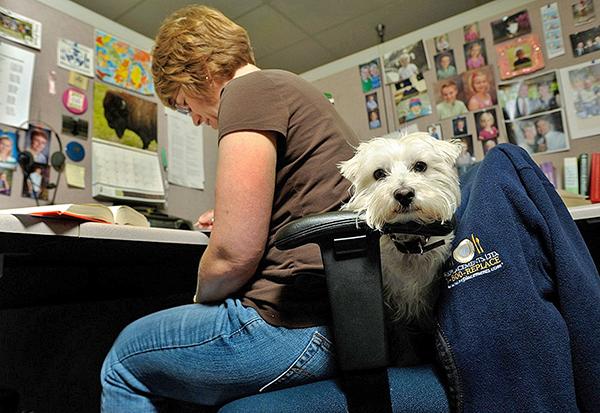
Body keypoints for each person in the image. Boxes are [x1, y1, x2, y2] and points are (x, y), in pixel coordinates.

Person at [100, 5, 358, 411]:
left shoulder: (247, 91)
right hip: (345, 322)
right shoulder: (289, 88)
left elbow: (232, 256)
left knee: (122, 362)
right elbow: (304, 202)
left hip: (293, 326)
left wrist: (201, 295)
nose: (196, 121)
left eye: (184, 105)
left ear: (200, 67)